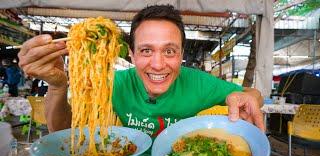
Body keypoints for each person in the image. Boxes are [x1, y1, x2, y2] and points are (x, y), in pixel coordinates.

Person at [18, 5, 264, 136]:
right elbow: (61, 132)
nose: (158, 65)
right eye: (146, 51)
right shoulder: (112, 84)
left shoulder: (200, 83)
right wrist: (58, 85)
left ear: (181, 55)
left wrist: (250, 97)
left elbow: (251, 93)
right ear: (131, 54)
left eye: (169, 51)